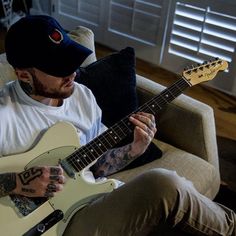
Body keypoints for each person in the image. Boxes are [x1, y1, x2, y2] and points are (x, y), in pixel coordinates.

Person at [0, 15, 235, 236]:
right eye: (58, 68)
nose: (70, 72)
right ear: (23, 75)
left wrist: (135, 149)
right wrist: (18, 182)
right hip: (52, 226)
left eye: (69, 60)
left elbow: (94, 166)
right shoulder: (4, 115)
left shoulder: (82, 97)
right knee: (165, 183)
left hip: (93, 198)